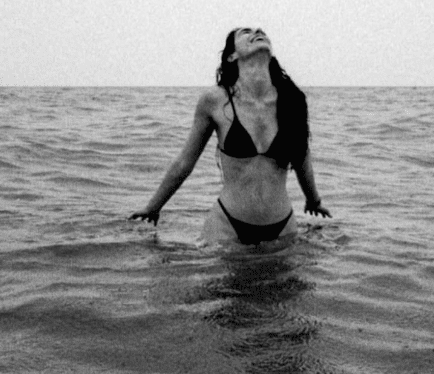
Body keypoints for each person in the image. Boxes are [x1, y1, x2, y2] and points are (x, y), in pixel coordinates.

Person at [129, 27, 331, 245]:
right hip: (227, 225)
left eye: (260, 31)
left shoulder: (292, 100)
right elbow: (185, 162)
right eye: (246, 32)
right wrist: (153, 207)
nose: (257, 32)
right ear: (231, 55)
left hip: (283, 228)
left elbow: (302, 156)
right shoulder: (214, 100)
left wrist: (313, 200)